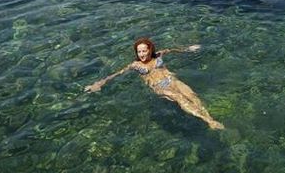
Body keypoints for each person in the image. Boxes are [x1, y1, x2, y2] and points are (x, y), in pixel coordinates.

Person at [84, 37, 224, 130]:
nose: (142, 54)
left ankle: (210, 117)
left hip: (172, 79)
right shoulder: (135, 65)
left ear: (150, 49)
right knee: (180, 98)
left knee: (192, 95)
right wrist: (99, 84)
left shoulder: (158, 55)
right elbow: (117, 74)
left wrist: (188, 49)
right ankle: (208, 121)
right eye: (139, 51)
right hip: (159, 87)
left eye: (144, 51)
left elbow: (173, 50)